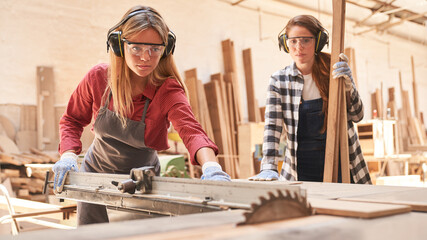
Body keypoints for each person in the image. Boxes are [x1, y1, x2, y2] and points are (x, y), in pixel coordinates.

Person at [53, 5, 231, 225]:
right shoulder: (98, 79)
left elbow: (192, 132)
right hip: (95, 178)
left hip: (142, 182)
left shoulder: (167, 90)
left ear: (165, 50)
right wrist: (68, 155)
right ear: (119, 46)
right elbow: (72, 119)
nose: (146, 58)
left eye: (155, 49)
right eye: (136, 48)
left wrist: (211, 168)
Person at [250, 15, 371, 184]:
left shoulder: (333, 72)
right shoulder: (279, 81)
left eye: (306, 40)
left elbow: (357, 116)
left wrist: (350, 89)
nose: (299, 47)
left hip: (341, 161)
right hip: (301, 167)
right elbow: (272, 127)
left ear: (318, 42)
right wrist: (268, 166)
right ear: (285, 44)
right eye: (293, 41)